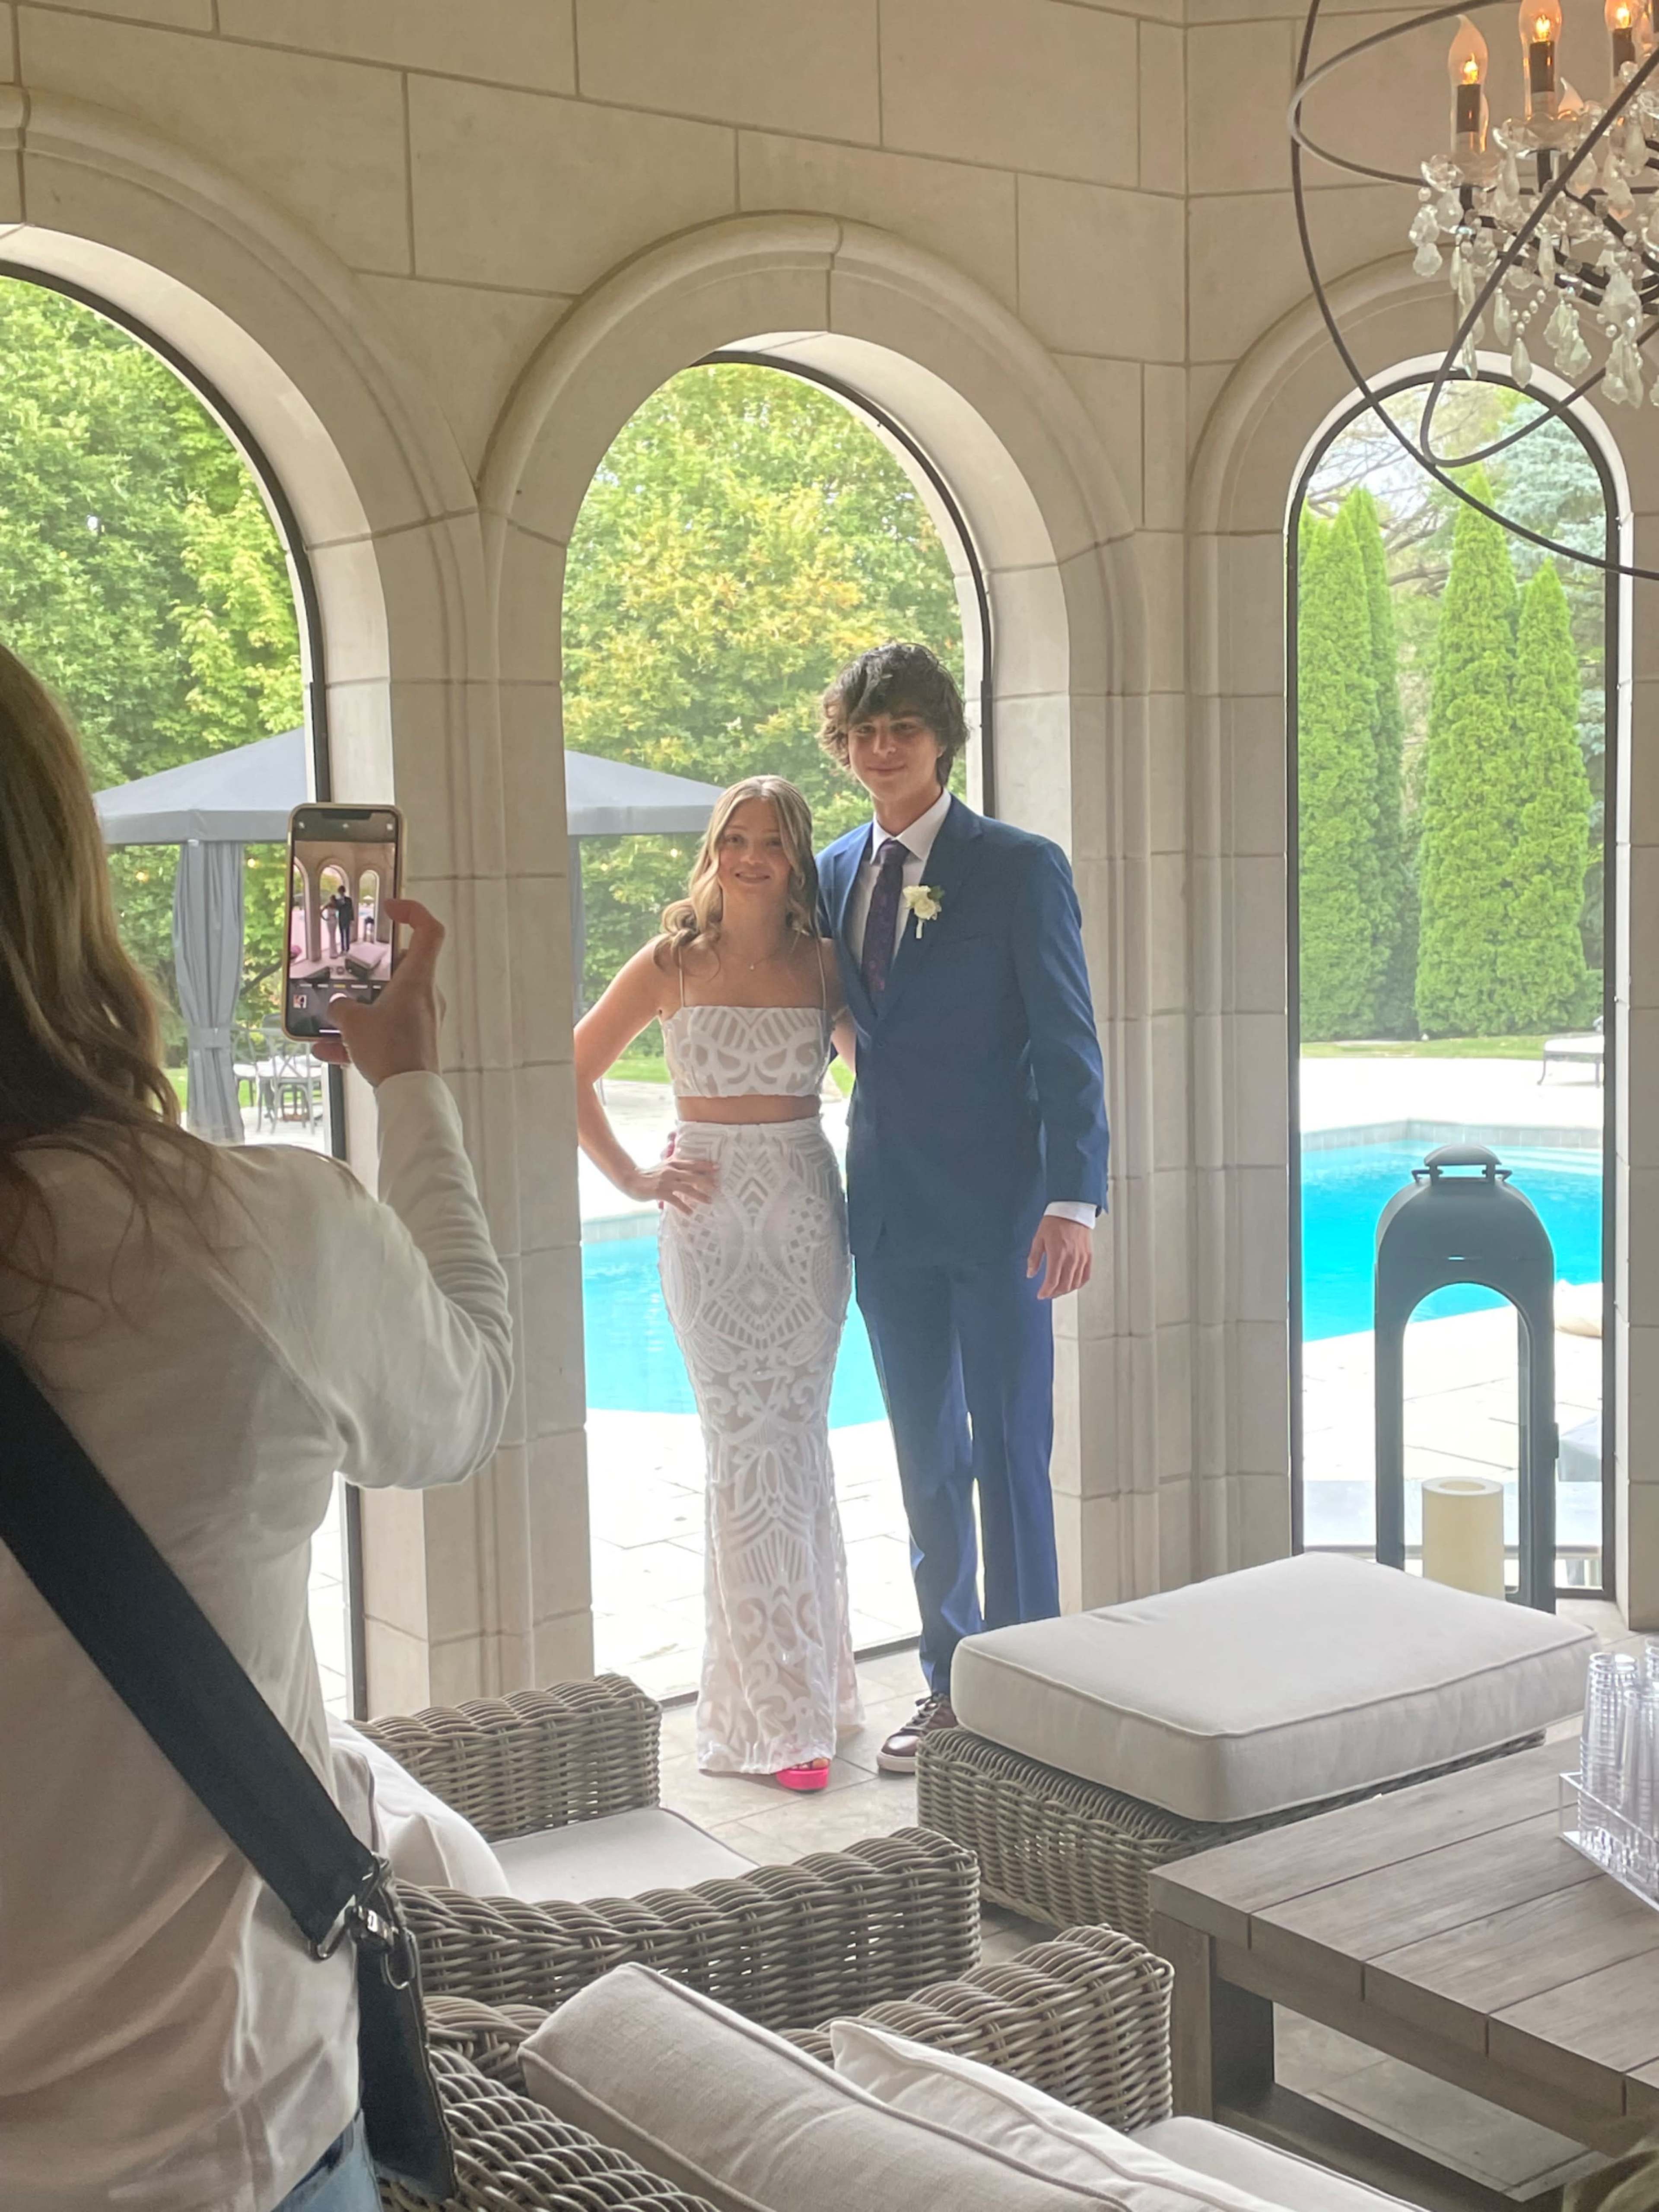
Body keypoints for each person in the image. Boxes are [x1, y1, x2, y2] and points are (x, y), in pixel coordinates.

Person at [0, 643, 513, 2212]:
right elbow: (471, 1389)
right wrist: (406, 1078)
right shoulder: (244, 1248)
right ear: (61, 884)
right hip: (218, 2147)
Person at [815, 642, 1109, 1776]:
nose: (882, 748)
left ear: (942, 739)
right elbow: (850, 1024)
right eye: (863, 732)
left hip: (1002, 1218)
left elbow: (1067, 1044)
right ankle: (950, 1682)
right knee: (924, 1458)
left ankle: (1033, 1688)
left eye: (903, 728)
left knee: (1011, 1452)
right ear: (845, 747)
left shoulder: (1018, 867)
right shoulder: (837, 868)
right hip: (886, 1218)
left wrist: (1073, 1199)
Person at [575, 776, 861, 1790]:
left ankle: (814, 1695)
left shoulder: (827, 964)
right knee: (745, 1453)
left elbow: (884, 1077)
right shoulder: (671, 961)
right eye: (734, 839)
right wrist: (633, 1177)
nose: (748, 858)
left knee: (797, 1447)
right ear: (715, 849)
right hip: (705, 1231)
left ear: (796, 861)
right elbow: (569, 1068)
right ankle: (773, 1719)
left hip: (802, 1225)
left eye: (770, 844)